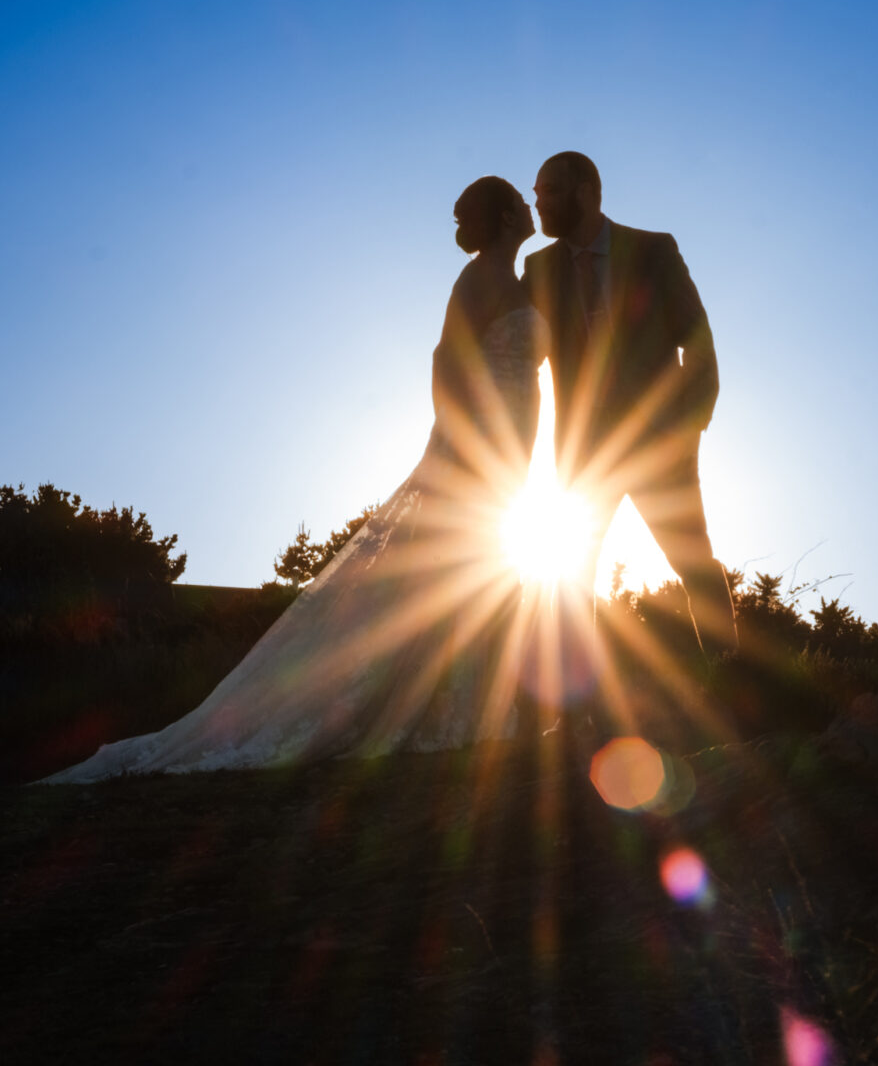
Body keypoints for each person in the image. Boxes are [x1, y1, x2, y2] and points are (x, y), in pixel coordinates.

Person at [43, 179, 546, 781]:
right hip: (478, 447)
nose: (527, 206)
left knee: (481, 572)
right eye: (518, 199)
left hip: (514, 449)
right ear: (505, 216)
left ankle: (465, 707)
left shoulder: (523, 281)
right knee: (458, 570)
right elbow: (445, 364)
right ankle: (436, 713)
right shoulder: (478, 279)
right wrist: (463, 442)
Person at [523, 151, 737, 666]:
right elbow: (520, 353)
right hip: (583, 452)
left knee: (693, 563)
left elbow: (699, 341)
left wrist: (688, 427)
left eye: (549, 190)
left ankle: (738, 692)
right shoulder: (536, 269)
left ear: (588, 191)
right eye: (535, 191)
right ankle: (574, 722)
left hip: (660, 443)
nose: (539, 202)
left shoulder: (653, 250)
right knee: (572, 576)